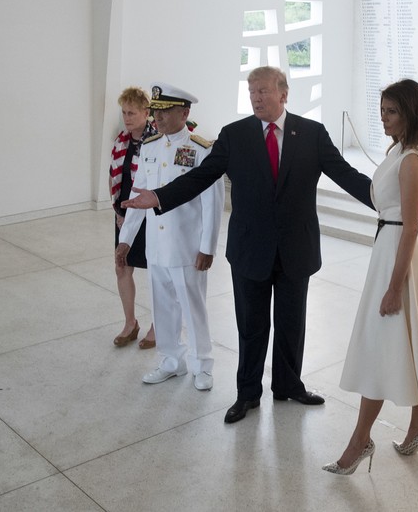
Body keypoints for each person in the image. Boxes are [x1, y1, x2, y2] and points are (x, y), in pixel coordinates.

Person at [122, 66, 373, 423]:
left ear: (284, 94)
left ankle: (289, 386)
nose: (256, 97)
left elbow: (346, 175)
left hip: (295, 249)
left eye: (264, 91)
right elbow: (200, 178)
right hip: (249, 248)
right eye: (252, 91)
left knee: (291, 324)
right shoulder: (235, 135)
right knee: (251, 326)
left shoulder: (312, 134)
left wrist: (387, 202)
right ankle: (247, 394)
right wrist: (159, 197)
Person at [323, 79, 418, 475]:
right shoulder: (406, 150)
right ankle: (417, 428)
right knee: (413, 341)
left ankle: (359, 441)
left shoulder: (411, 160)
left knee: (380, 346)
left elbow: (409, 226)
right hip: (398, 251)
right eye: (382, 110)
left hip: (399, 256)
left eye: (391, 111)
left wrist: (393, 288)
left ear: (411, 113)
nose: (383, 118)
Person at [116, 83, 224, 390]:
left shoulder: (201, 150)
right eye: (156, 112)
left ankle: (202, 365)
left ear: (185, 113)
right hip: (157, 247)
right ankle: (171, 360)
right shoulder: (149, 147)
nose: (158, 119)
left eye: (165, 112)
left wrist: (207, 247)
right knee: (162, 306)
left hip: (187, 248)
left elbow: (212, 204)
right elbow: (139, 199)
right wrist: (125, 240)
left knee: (193, 307)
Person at [110, 86, 156, 349]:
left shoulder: (157, 141)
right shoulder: (121, 140)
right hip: (125, 213)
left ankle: (158, 326)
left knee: (155, 272)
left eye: (132, 113)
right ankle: (130, 323)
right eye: (124, 112)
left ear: (146, 113)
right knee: (122, 266)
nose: (126, 118)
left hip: (150, 215)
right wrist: (117, 212)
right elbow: (114, 177)